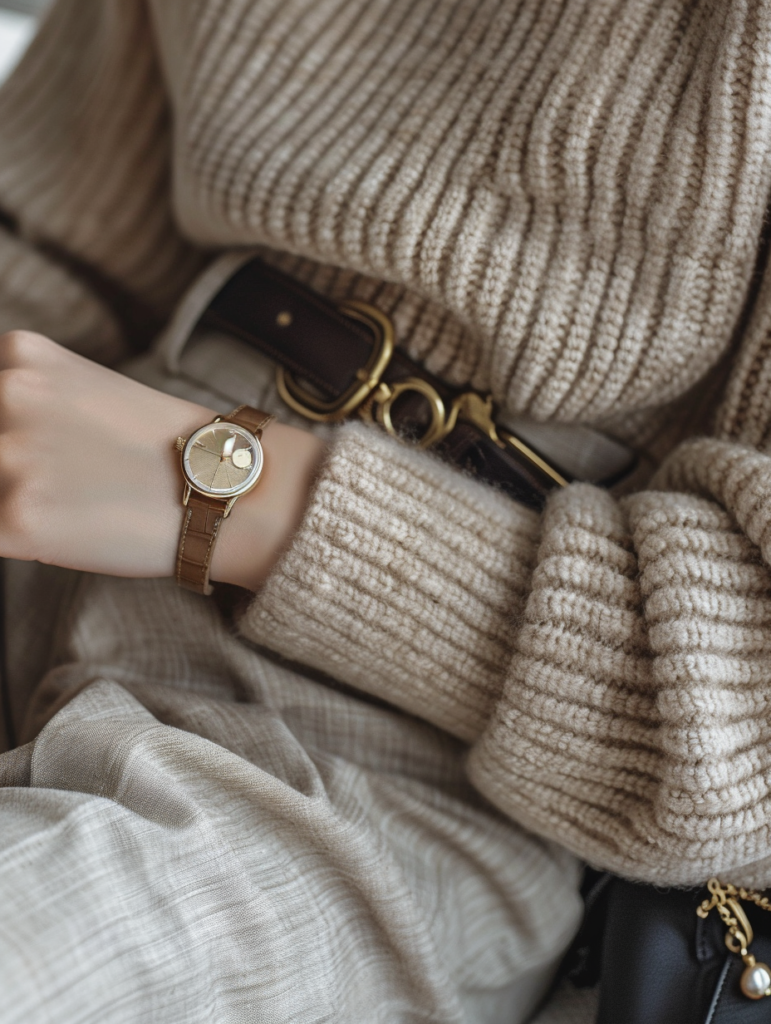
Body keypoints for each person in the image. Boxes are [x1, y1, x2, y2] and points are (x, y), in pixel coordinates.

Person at [1, 0, 771, 1020]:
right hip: (58, 526)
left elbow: (744, 704)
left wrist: (226, 492)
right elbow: (57, 241)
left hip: (409, 777)